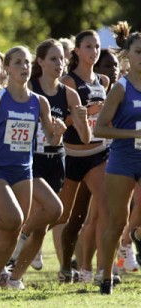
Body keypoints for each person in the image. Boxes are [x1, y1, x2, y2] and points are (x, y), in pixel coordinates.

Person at [0, 46, 66, 289]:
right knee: (14, 218)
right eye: (18, 63)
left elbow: (51, 140)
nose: (24, 67)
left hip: (24, 170)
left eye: (27, 63)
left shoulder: (39, 102)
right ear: (7, 69)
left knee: (14, 229)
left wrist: (59, 134)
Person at [7, 39, 90, 288]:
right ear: (40, 62)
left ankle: (14, 278)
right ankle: (15, 239)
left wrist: (80, 119)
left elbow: (85, 139)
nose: (59, 63)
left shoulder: (70, 94)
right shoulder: (29, 88)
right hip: (30, 161)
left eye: (61, 59)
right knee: (54, 210)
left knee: (42, 228)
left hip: (56, 161)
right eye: (53, 59)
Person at [54, 30, 110, 284]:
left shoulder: (104, 81)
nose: (94, 51)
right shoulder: (68, 82)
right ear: (76, 51)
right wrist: (87, 112)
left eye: (97, 46)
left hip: (99, 154)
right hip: (72, 156)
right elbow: (61, 121)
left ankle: (101, 271)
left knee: (108, 210)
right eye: (88, 46)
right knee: (69, 218)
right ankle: (66, 267)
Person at [94, 21, 141, 295]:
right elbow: (100, 128)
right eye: (138, 51)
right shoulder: (121, 87)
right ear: (127, 54)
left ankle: (134, 238)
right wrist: (132, 132)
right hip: (123, 160)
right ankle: (107, 275)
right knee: (116, 221)